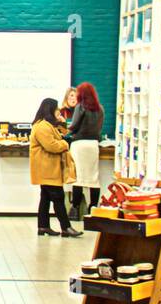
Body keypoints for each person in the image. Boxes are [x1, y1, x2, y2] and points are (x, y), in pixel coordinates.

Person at [30, 96, 81, 238]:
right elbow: (52, 146)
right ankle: (66, 227)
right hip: (47, 168)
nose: (58, 111)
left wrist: (62, 124)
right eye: (56, 108)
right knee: (58, 197)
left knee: (45, 198)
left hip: (47, 168)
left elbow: (62, 134)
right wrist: (65, 144)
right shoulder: (42, 126)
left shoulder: (47, 124)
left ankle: (43, 226)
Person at [66, 81, 105, 221]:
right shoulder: (100, 109)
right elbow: (100, 128)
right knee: (93, 178)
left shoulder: (80, 107)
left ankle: (75, 210)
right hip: (93, 145)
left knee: (79, 178)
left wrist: (66, 129)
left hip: (79, 144)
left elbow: (74, 125)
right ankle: (93, 208)